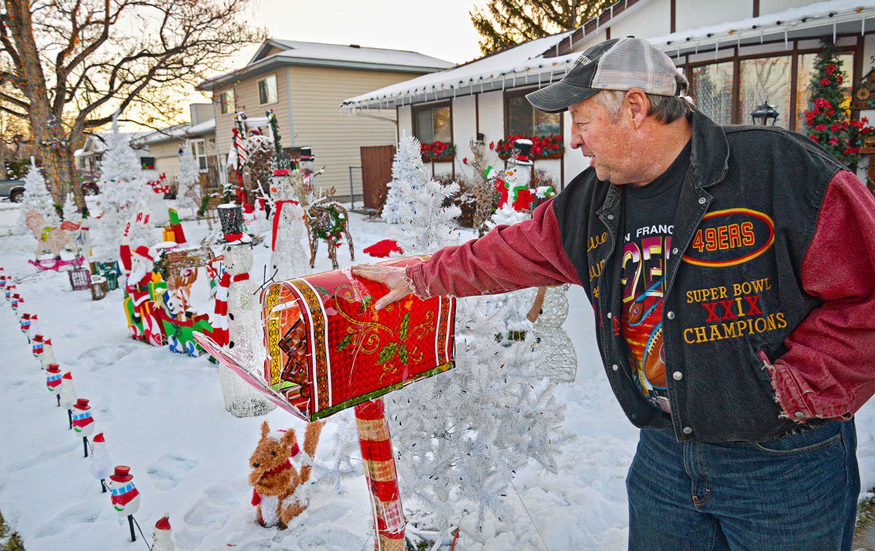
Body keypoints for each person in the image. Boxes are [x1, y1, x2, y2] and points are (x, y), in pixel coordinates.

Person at [352, 37, 875, 551]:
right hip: (666, 457)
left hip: (783, 463)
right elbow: (507, 253)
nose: (574, 141)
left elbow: (867, 291)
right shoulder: (591, 201)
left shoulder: (778, 170)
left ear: (634, 107)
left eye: (580, 122)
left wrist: (796, 388)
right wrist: (420, 277)